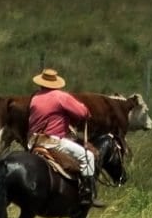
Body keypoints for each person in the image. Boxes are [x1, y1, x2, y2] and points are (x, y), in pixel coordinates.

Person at [27, 68, 105, 208]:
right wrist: (85, 111)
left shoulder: (35, 97)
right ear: (56, 83)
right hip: (53, 142)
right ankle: (88, 194)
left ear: (41, 83)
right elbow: (82, 112)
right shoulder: (60, 96)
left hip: (33, 142)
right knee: (87, 156)